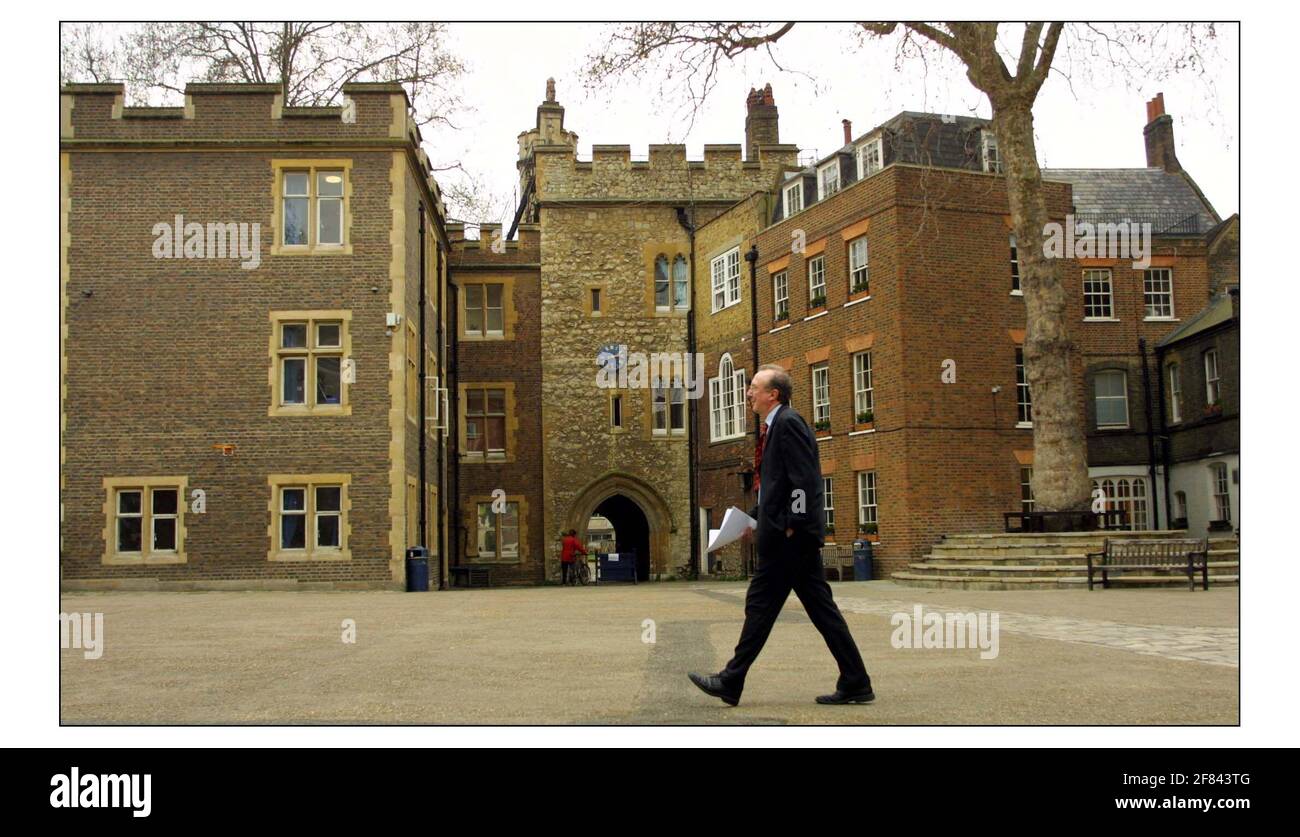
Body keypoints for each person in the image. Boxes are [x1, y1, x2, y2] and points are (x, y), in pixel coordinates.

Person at [689, 364, 874, 706]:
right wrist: (754, 518)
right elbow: (777, 486)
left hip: (790, 540)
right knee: (820, 610)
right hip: (787, 536)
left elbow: (804, 480)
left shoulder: (788, 423)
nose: (748, 393)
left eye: (754, 388)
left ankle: (731, 680)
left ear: (773, 394)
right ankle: (856, 680)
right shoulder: (775, 427)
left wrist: (793, 522)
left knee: (761, 605)